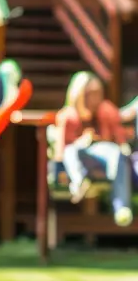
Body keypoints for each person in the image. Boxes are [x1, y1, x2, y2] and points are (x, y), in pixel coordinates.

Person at [54, 71, 132, 226]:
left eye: (98, 93)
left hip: (105, 159)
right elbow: (60, 153)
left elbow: (119, 139)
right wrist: (81, 143)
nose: (95, 98)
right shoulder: (68, 116)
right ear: (79, 95)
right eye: (90, 94)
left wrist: (123, 147)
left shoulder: (106, 110)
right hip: (78, 158)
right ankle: (78, 183)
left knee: (116, 152)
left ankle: (121, 208)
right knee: (71, 150)